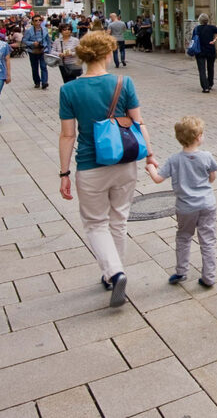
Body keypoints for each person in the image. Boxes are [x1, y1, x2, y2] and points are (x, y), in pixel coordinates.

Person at [58, 32, 158, 307]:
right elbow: (139, 123)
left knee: (95, 223)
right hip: (125, 163)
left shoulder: (69, 90)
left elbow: (67, 135)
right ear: (107, 54)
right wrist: (149, 155)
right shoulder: (123, 83)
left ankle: (114, 272)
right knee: (119, 219)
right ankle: (114, 273)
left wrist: (64, 173)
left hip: (90, 166)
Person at [146, 116, 217, 288]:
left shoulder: (174, 160)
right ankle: (209, 277)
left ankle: (181, 271)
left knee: (184, 237)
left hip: (185, 208)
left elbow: (158, 179)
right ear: (198, 137)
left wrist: (150, 167)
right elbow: (212, 178)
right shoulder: (207, 156)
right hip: (207, 204)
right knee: (207, 240)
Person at [190, 14, 217, 93]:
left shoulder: (196, 29)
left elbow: (193, 40)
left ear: (199, 20)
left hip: (200, 51)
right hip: (210, 50)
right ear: (207, 20)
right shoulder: (211, 28)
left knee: (202, 69)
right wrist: (215, 40)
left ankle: (205, 87)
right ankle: (210, 83)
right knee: (210, 67)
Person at [23, 14, 51, 90]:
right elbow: (24, 40)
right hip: (33, 51)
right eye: (36, 20)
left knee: (43, 67)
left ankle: (44, 82)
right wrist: (32, 43)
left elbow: (48, 40)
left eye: (40, 20)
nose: (38, 22)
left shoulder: (44, 29)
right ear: (33, 22)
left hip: (43, 50)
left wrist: (49, 51)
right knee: (35, 68)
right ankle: (37, 82)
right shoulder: (29, 31)